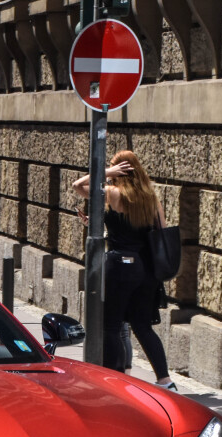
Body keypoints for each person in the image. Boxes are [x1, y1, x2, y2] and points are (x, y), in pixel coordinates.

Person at [72, 150, 176, 391]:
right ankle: (165, 380)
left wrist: (104, 173)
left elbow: (78, 185)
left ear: (119, 171)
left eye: (113, 168)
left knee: (111, 325)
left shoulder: (112, 193)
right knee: (142, 326)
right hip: (146, 269)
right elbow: (161, 231)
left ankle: (113, 378)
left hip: (119, 266)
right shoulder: (151, 198)